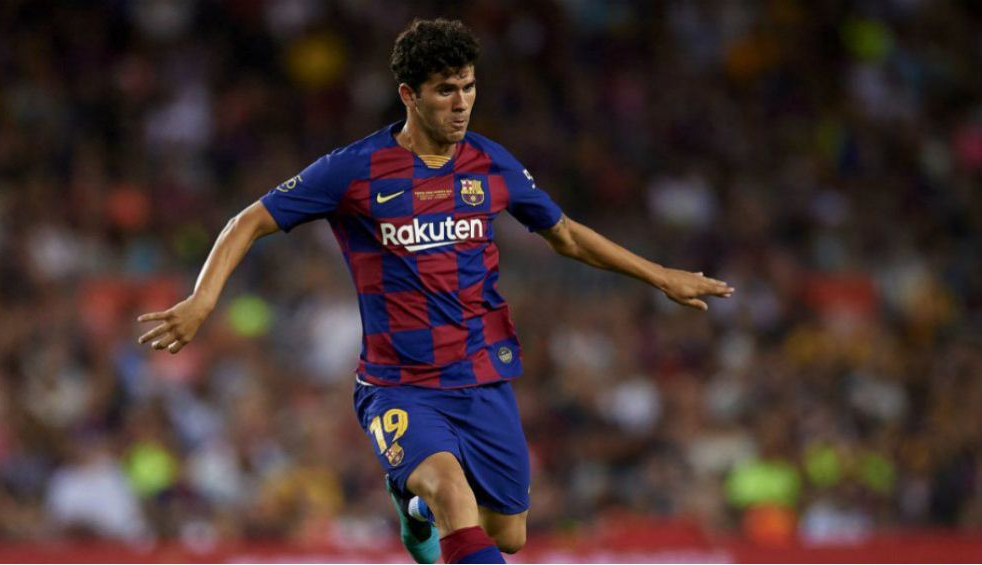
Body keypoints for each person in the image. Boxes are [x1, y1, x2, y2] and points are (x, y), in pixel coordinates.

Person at [137, 18, 733, 564]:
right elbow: (249, 221)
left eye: (468, 87)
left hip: (481, 375)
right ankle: (427, 496)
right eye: (446, 90)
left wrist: (661, 275)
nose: (462, 102)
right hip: (398, 384)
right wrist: (203, 300)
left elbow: (568, 236)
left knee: (507, 535)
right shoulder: (355, 169)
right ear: (409, 95)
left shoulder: (490, 164)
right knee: (453, 492)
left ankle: (413, 507)